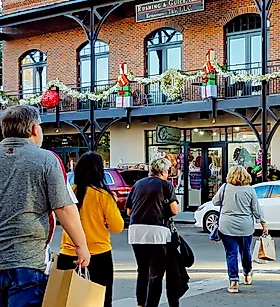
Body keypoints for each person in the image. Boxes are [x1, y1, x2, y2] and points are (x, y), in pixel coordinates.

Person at [0, 105, 90, 307]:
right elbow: (64, 207)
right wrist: (81, 246)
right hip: (27, 260)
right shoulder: (46, 160)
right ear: (33, 129)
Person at [57, 152, 124, 307]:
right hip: (99, 254)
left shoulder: (69, 192)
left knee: (66, 301)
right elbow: (118, 226)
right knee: (101, 301)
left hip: (68, 254)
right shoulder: (103, 196)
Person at [126, 157, 180, 307]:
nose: (168, 174)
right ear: (163, 171)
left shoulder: (138, 184)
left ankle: (140, 303)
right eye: (168, 171)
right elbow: (174, 211)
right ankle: (151, 304)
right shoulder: (165, 185)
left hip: (135, 230)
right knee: (156, 272)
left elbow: (129, 211)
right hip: (156, 230)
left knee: (142, 269)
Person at [213, 165, 268, 293]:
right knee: (245, 250)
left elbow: (215, 202)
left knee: (231, 253)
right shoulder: (249, 190)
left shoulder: (225, 187)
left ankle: (233, 281)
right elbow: (256, 208)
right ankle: (248, 273)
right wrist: (263, 223)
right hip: (246, 226)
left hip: (226, 225)